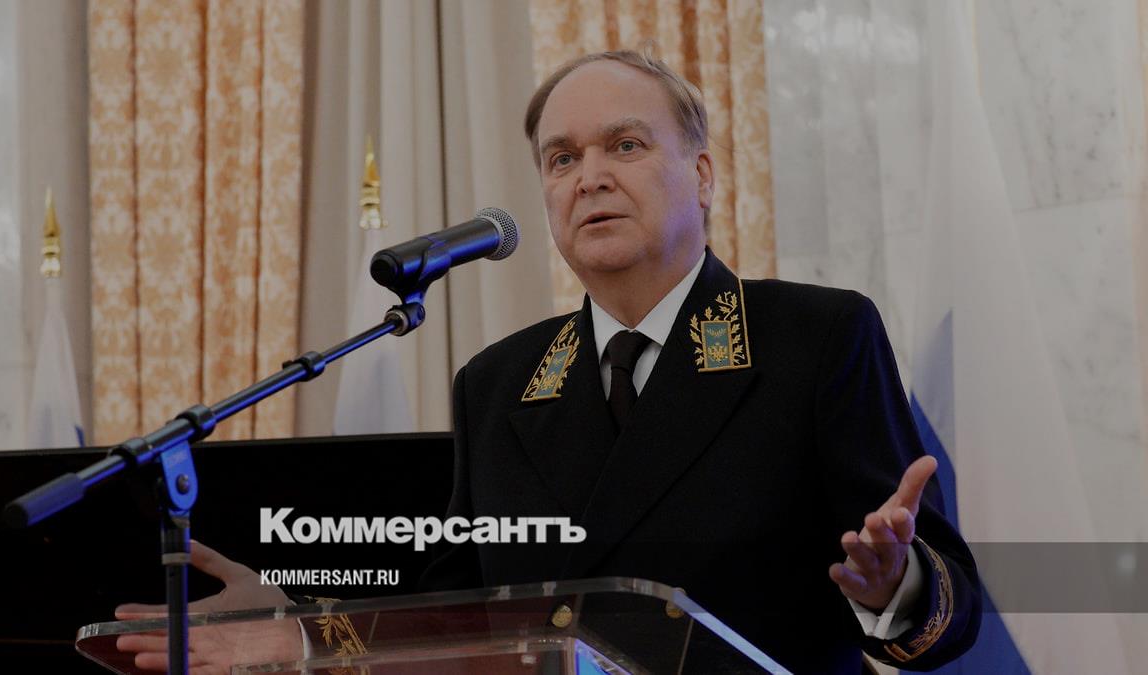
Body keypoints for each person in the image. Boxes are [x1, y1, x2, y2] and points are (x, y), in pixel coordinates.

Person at [117, 50, 980, 674]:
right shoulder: (498, 384)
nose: (588, 176)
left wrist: (894, 582)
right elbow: (451, 618)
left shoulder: (814, 338)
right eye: (562, 158)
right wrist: (299, 626)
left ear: (703, 175)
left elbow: (953, 612)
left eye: (625, 145)